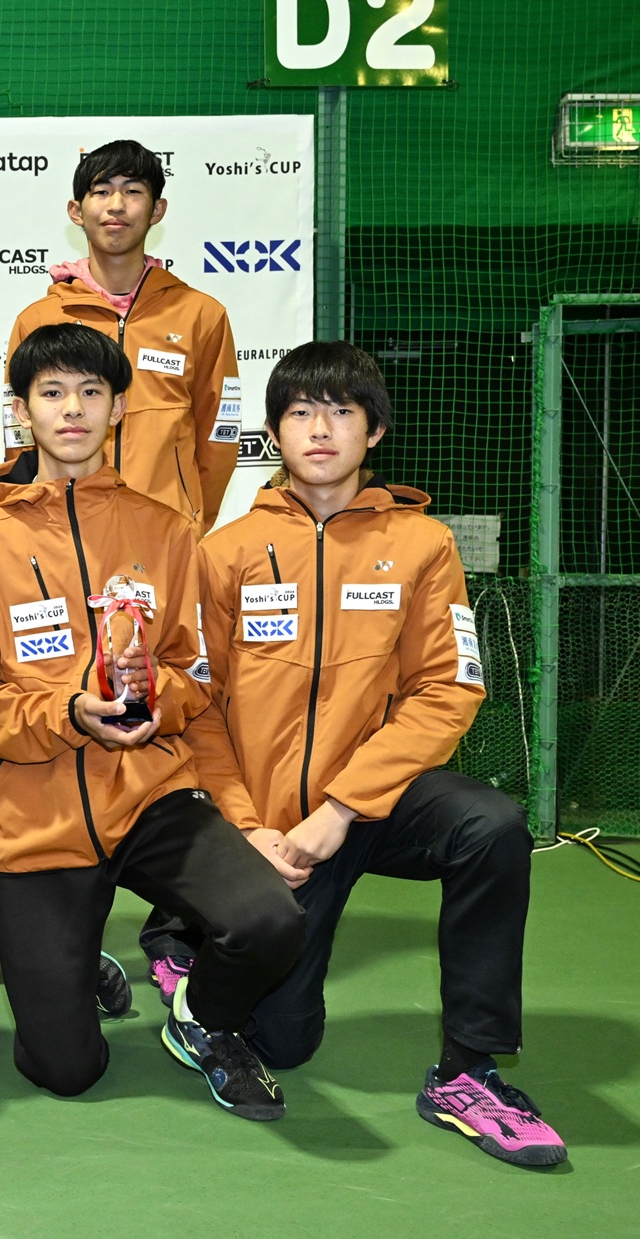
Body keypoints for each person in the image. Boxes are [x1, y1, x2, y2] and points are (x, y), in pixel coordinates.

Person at [153, 340, 565, 1166]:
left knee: (490, 827)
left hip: (373, 806)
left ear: (374, 431)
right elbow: (198, 709)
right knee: (283, 1041)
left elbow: (446, 689)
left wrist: (342, 807)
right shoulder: (224, 552)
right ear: (275, 431)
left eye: (342, 412)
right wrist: (249, 827)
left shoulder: (423, 545)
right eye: (301, 412)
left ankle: (468, 1071)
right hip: (272, 826)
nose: (320, 429)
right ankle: (196, 948)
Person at [0, 324, 302, 1115]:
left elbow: (195, 671)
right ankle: (76, 970)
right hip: (33, 820)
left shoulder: (167, 530)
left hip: (150, 795)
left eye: (91, 392)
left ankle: (201, 1019)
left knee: (269, 919)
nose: (72, 409)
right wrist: (70, 713)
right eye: (52, 393)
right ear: (22, 411)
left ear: (118, 408)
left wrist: (155, 695)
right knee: (65, 1071)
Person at [7, 140, 241, 532]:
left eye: (132, 191)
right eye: (101, 191)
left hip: (165, 531)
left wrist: (190, 519)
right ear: (76, 211)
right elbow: (21, 439)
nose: (116, 205)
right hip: (62, 531)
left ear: (157, 210)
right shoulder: (39, 320)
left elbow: (219, 436)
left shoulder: (201, 315)